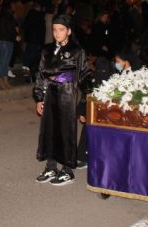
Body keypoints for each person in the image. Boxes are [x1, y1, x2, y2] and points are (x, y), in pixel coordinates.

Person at [34, 14, 91, 186]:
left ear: (69, 31)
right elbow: (41, 74)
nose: (57, 33)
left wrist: (89, 91)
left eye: (61, 30)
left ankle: (67, 170)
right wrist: (39, 97)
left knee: (66, 131)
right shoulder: (47, 50)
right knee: (49, 130)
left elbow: (85, 73)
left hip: (67, 93)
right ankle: (51, 167)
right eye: (54, 29)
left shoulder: (77, 51)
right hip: (50, 92)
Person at [0, 0, 19, 89]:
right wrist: (15, 36)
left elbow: (14, 27)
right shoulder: (4, 17)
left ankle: (5, 79)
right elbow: (6, 30)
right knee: (3, 61)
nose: (14, 6)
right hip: (5, 41)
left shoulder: (10, 16)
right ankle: (0, 79)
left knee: (7, 61)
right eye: (13, 4)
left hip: (9, 41)